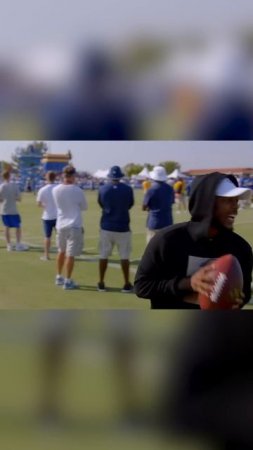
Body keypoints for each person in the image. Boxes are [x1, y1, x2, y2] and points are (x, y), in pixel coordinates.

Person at [134, 172, 253, 309]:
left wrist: (236, 300)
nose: (235, 207)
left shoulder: (240, 248)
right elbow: (142, 287)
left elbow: (245, 294)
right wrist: (189, 283)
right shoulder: (167, 240)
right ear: (206, 204)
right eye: (228, 200)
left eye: (236, 201)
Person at [97, 165, 134, 293]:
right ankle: (126, 284)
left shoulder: (103, 189)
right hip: (123, 226)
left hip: (106, 225)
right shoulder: (128, 189)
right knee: (124, 257)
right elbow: (130, 204)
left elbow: (101, 203)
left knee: (103, 255)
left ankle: (101, 282)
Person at [52, 166, 88, 290]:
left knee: (61, 251)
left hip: (61, 224)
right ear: (73, 176)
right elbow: (84, 207)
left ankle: (58, 276)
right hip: (74, 225)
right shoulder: (78, 190)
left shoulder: (56, 190)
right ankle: (67, 280)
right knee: (70, 255)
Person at [142, 166, 174, 244]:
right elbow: (171, 202)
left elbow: (144, 206)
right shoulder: (170, 188)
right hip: (168, 221)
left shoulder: (151, 189)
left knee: (152, 248)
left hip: (154, 222)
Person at [0, 170, 28, 251]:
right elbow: (19, 198)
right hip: (13, 210)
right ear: (9, 176)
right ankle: (18, 244)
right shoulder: (14, 186)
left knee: (6, 227)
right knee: (18, 227)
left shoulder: (1, 186)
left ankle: (9, 245)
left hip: (4, 210)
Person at [36, 171, 57, 261]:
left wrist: (45, 205)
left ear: (46, 178)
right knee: (60, 236)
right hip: (58, 216)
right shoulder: (58, 188)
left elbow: (38, 203)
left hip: (47, 216)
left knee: (47, 236)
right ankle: (63, 254)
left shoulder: (42, 189)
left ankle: (46, 255)